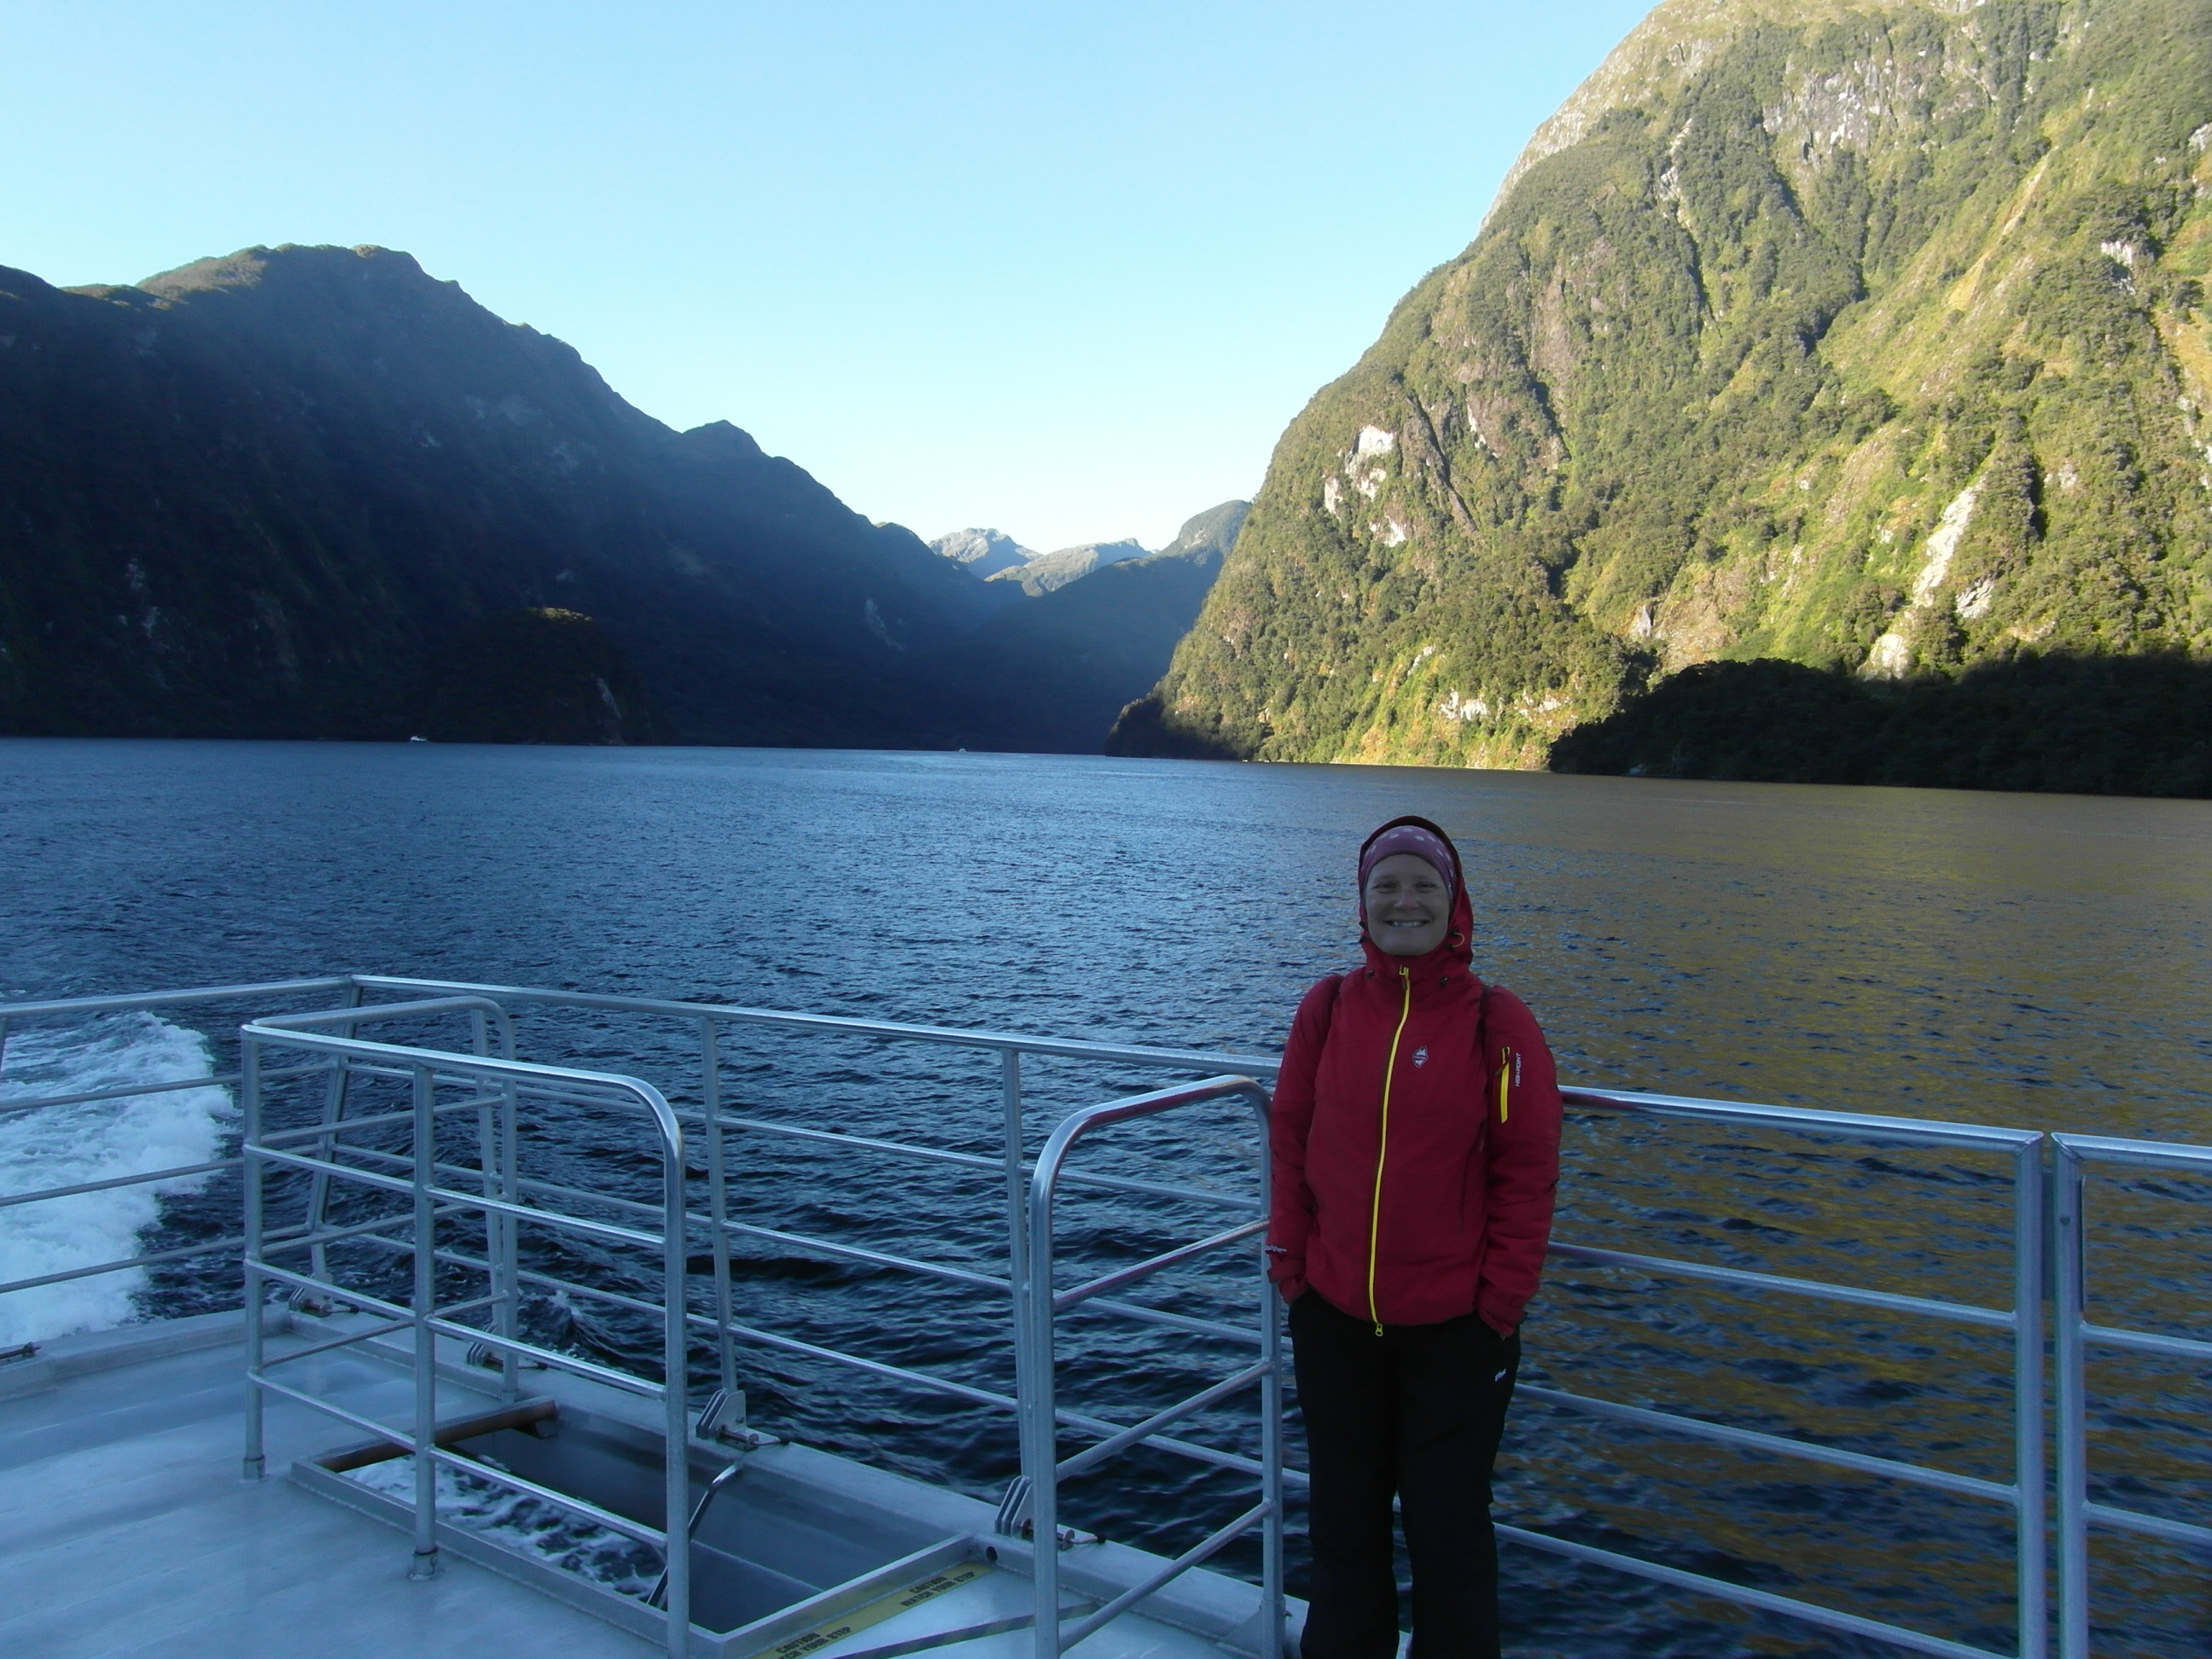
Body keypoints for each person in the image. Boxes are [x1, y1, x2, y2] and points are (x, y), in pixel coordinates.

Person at [1266, 815, 1563, 1659]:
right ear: (1362, 901)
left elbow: (1528, 1169)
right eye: (1386, 885)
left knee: (1449, 1535)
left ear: (1454, 902)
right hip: (1334, 1319)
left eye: (1424, 885)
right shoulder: (1328, 1009)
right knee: (1344, 1529)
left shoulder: (1496, 1021)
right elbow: (1290, 1135)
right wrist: (1291, 1263)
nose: (1405, 901)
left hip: (1455, 1334)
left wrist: (1499, 1304)